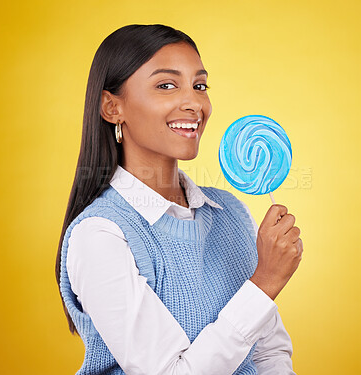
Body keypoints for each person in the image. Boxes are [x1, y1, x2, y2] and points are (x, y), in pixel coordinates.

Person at [55, 24, 303, 375]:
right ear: (112, 108)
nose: (194, 103)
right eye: (167, 85)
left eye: (199, 85)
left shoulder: (230, 212)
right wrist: (265, 283)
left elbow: (268, 353)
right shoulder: (100, 236)